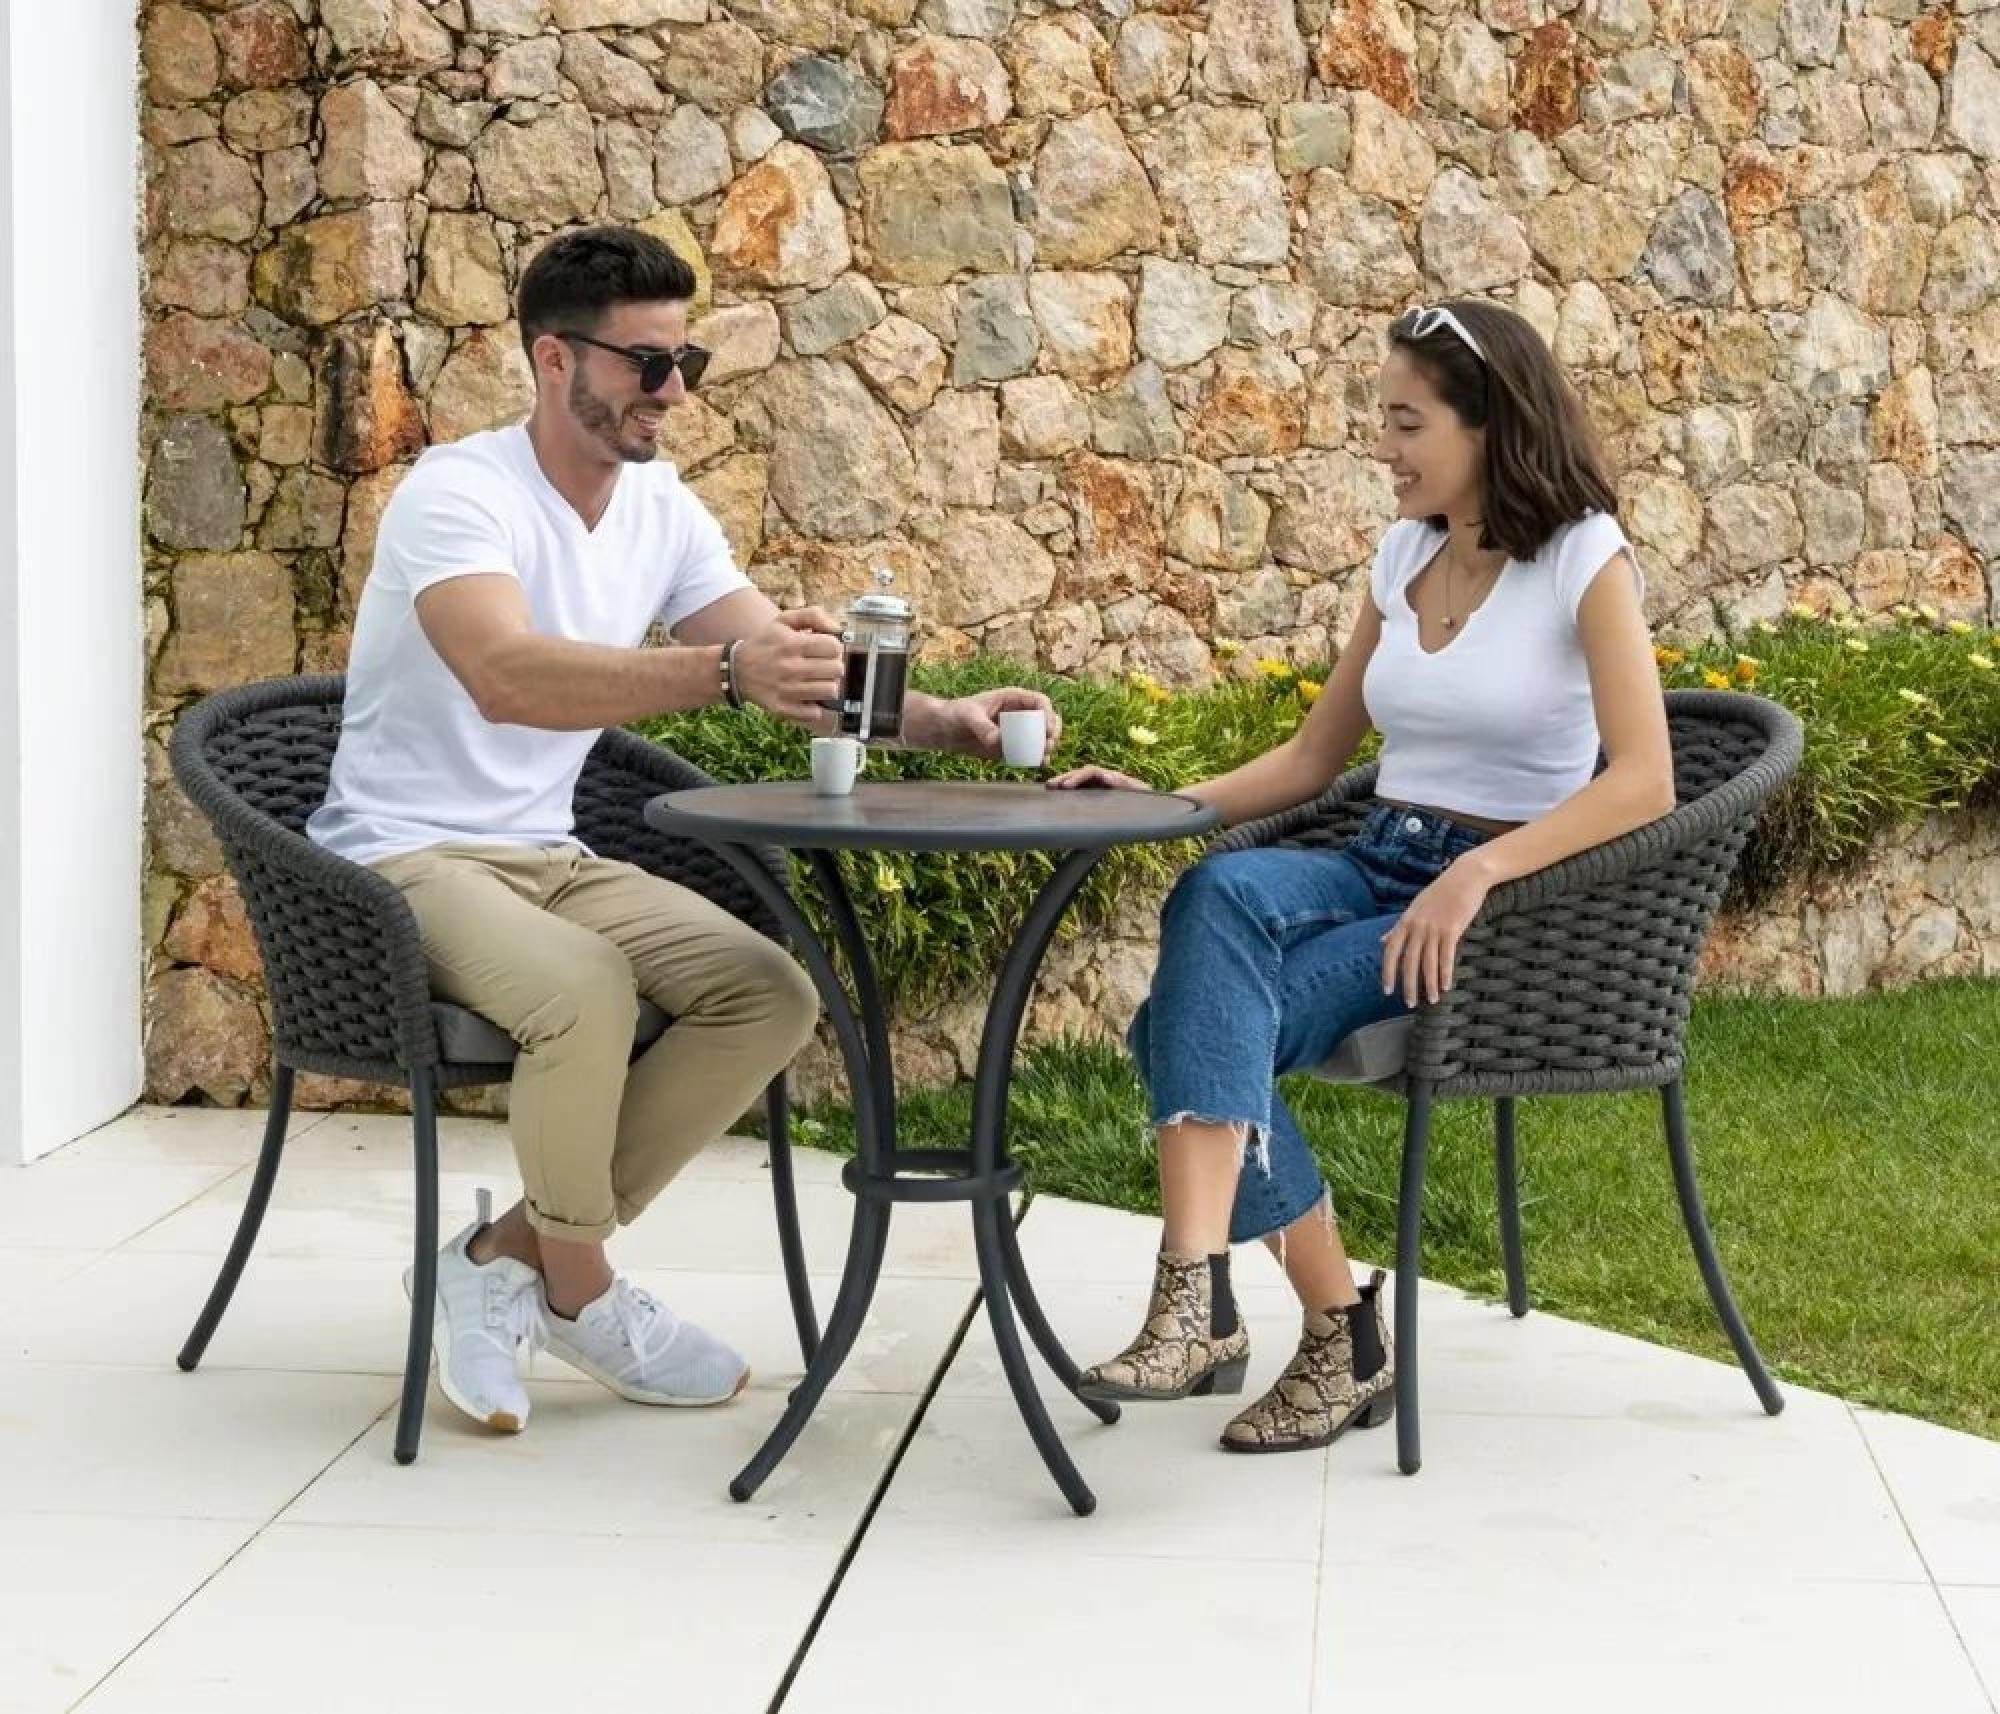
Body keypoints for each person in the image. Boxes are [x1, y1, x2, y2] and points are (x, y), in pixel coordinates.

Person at [308, 225, 1058, 1437]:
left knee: (767, 991)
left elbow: (791, 667)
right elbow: (504, 674)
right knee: (583, 991)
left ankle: (505, 1258)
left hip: (547, 851)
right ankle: (584, 1288)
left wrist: (948, 723)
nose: (672, 391)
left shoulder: (658, 506)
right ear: (554, 362)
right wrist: (717, 673)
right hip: (403, 851)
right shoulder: (458, 492)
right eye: (643, 364)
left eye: (684, 363)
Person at [1049, 300, 1674, 1455]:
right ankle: (1264, 1309)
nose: (1381, 447)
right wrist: (1156, 803)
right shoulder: (1402, 556)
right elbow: (1311, 759)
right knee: (1211, 895)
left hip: (1496, 903)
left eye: (1404, 421)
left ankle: (1279, 1326)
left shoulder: (1582, 556)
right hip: (1378, 854)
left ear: (1486, 423)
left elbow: (1641, 780)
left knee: (1180, 1032)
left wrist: (1475, 873)